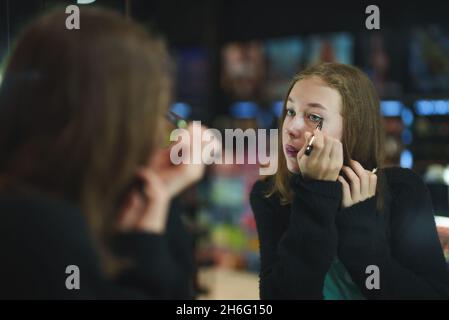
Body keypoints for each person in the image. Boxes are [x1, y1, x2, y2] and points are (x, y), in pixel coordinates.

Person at [0, 7, 206, 299]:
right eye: (153, 107)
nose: (158, 125)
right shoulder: (38, 229)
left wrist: (160, 194)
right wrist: (149, 233)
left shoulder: (45, 206)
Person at [250, 62, 449, 299]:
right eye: (290, 112)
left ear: (354, 127)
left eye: (313, 116)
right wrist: (315, 193)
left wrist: (360, 237)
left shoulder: (401, 190)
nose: (291, 127)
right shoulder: (271, 193)